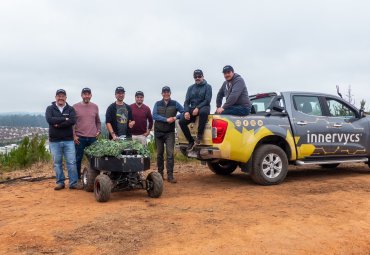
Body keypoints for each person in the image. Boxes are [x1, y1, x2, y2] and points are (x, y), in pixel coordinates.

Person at [45, 89, 81, 190]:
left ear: (66, 97)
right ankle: (60, 182)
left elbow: (73, 120)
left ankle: (73, 183)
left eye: (63, 96)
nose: (61, 98)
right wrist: (65, 119)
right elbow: (50, 120)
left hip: (68, 140)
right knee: (57, 163)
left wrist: (58, 124)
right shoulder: (50, 108)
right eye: (59, 96)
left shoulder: (70, 109)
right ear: (55, 97)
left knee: (71, 162)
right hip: (54, 141)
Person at [153, 86, 184, 183]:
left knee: (170, 154)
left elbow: (183, 112)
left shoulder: (175, 103)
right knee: (159, 154)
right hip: (158, 133)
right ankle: (160, 174)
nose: (166, 94)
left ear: (170, 93)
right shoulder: (157, 104)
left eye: (167, 92)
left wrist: (175, 118)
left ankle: (170, 175)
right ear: (162, 94)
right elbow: (154, 115)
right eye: (164, 92)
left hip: (169, 133)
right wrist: (166, 119)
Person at [179, 69, 212, 151]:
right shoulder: (190, 88)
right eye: (195, 77)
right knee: (181, 121)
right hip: (193, 108)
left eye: (199, 76)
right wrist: (186, 111)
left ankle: (199, 136)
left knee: (203, 112)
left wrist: (198, 108)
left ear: (203, 76)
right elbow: (186, 102)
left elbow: (207, 100)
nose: (197, 78)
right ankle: (191, 141)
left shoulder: (208, 86)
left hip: (204, 106)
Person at [73, 87, 101, 180]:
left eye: (88, 94)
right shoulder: (75, 107)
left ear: (91, 95)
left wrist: (99, 131)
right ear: (81, 95)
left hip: (93, 138)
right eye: (85, 94)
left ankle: (95, 179)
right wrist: (74, 135)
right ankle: (77, 179)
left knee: (94, 160)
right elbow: (72, 123)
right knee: (78, 159)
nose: (86, 96)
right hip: (80, 138)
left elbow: (98, 122)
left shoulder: (95, 106)